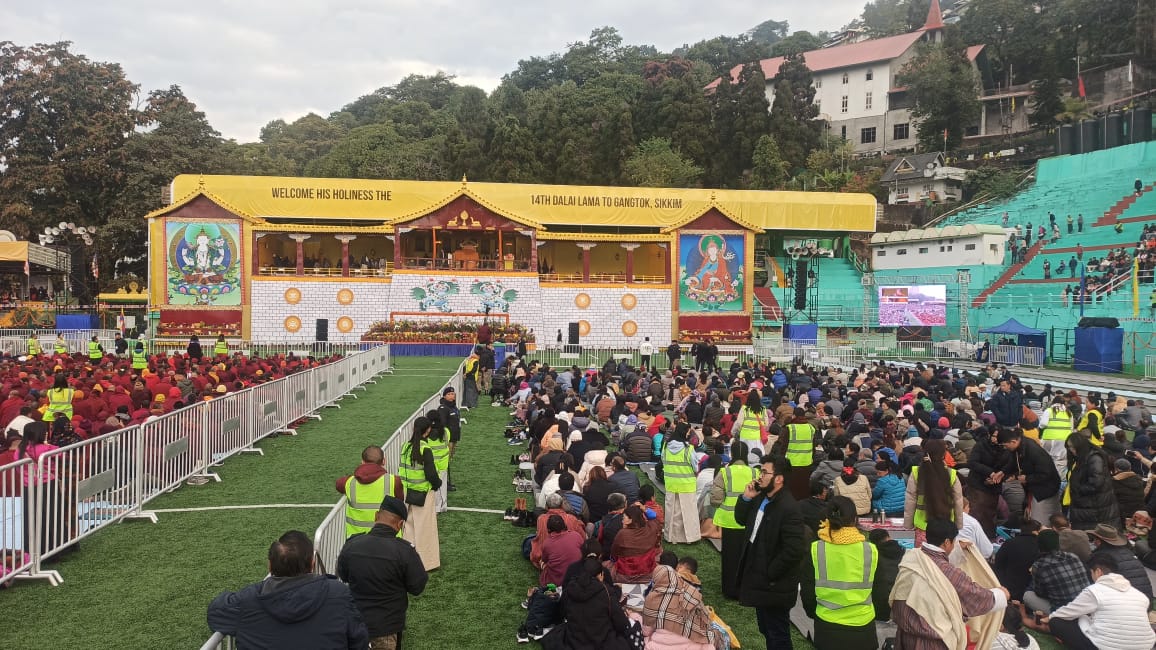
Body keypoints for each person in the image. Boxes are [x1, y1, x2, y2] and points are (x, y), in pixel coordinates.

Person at [207, 530, 368, 650]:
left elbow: (215, 612)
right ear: (312, 564)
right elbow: (358, 640)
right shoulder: (339, 593)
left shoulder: (249, 599)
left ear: (270, 565)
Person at [890, 518, 1008, 650]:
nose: (954, 545)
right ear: (946, 542)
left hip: (906, 636)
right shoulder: (950, 573)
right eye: (954, 542)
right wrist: (1000, 594)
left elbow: (935, 561)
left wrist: (958, 549)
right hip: (932, 643)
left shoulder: (911, 557)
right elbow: (975, 595)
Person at [337, 496, 428, 650]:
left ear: (376, 516)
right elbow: (417, 587)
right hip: (386, 628)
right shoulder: (404, 551)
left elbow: (343, 575)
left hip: (354, 625)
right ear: (400, 524)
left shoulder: (352, 544)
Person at [734, 455, 806, 649]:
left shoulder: (789, 508)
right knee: (766, 629)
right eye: (761, 472)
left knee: (778, 634)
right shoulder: (761, 498)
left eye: (765, 472)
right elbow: (741, 520)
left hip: (774, 584)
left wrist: (770, 572)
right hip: (758, 576)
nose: (761, 476)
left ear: (779, 478)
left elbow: (794, 550)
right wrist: (746, 499)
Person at [800, 496, 880, 650]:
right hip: (863, 627)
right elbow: (879, 589)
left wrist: (814, 614)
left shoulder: (816, 549)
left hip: (827, 627)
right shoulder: (870, 550)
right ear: (855, 519)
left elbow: (807, 591)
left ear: (828, 519)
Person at [1043, 554, 1156, 650]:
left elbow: (1069, 612)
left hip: (1104, 647)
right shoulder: (1140, 595)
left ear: (1098, 572)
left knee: (1056, 622)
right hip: (1146, 646)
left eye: (1091, 573)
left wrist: (1050, 617)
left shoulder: (1095, 590)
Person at [548, 556, 633, 650]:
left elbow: (562, 612)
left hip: (574, 640)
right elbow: (621, 624)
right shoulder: (607, 593)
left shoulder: (570, 588)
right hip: (601, 642)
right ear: (600, 575)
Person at [710, 440, 753, 600]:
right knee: (746, 557)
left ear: (732, 454)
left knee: (729, 557)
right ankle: (744, 588)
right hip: (748, 522)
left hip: (729, 521)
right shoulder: (754, 473)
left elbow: (715, 498)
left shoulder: (725, 472)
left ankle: (730, 589)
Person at [640, 562, 720, 649]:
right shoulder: (691, 592)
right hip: (691, 641)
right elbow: (705, 621)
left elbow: (646, 631)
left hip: (660, 644)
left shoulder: (651, 599)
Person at [398, 417, 441, 571]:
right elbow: (431, 474)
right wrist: (437, 484)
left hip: (407, 493)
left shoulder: (405, 447)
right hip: (424, 493)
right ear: (427, 430)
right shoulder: (425, 448)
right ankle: (426, 562)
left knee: (409, 529)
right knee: (425, 529)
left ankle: (405, 561)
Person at [905, 439, 965, 547]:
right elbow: (958, 501)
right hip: (946, 525)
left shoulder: (916, 473)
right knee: (941, 560)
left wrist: (908, 524)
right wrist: (958, 524)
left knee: (923, 560)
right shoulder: (951, 474)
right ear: (943, 455)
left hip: (922, 525)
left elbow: (910, 500)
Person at [336, 446, 404, 539]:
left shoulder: (349, 482)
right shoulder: (394, 481)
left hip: (357, 541)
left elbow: (338, 484)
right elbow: (400, 503)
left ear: (362, 462)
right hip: (388, 540)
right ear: (384, 461)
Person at [998, 428, 1061, 526]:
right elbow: (1013, 462)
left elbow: (1046, 473)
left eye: (1005, 446)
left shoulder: (1033, 450)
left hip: (1045, 490)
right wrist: (1003, 472)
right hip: (1034, 488)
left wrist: (1027, 478)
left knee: (1039, 521)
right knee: (1031, 517)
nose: (1005, 449)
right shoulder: (1019, 448)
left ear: (1013, 441)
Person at [1022, 529, 1090, 614]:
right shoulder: (1073, 556)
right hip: (1085, 605)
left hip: (1063, 611)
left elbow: (1040, 593)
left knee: (1027, 594)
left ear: (1039, 546)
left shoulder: (1039, 565)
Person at [1063, 433, 1119, 530]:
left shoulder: (1094, 458)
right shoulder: (1083, 458)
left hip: (1094, 506)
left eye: (1072, 447)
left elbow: (1096, 483)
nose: (1071, 450)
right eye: (1069, 447)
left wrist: (1078, 489)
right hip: (1088, 505)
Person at [1086, 523, 1153, 598]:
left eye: (1094, 540)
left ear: (1098, 541)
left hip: (1127, 603)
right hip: (1146, 600)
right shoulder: (1128, 552)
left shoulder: (1100, 558)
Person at [661, 423, 701, 544]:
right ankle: (689, 538)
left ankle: (671, 536)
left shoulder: (666, 447)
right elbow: (695, 466)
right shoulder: (689, 449)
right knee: (688, 513)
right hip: (687, 484)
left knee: (672, 512)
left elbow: (663, 461)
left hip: (671, 484)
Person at [609, 504, 662, 583]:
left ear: (630, 520)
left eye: (624, 518)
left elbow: (614, 553)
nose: (622, 520)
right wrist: (644, 509)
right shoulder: (651, 528)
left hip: (625, 576)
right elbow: (655, 518)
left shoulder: (622, 534)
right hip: (648, 574)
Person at [993, 519, 1041, 602]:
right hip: (1033, 591)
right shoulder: (1040, 545)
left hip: (1010, 589)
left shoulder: (1009, 543)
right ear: (1036, 532)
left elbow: (998, 565)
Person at [783, 407, 817, 500]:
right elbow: (813, 446)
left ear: (794, 415)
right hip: (806, 463)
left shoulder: (790, 428)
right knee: (803, 490)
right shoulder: (811, 428)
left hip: (791, 464)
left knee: (791, 491)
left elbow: (782, 447)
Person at [1038, 396, 1072, 476]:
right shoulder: (1068, 412)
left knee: (1046, 459)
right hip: (1064, 440)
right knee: (1059, 461)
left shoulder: (1049, 410)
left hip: (1049, 438)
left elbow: (1043, 423)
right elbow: (1071, 427)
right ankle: (1058, 478)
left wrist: (1040, 428)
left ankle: (1046, 476)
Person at [731, 389, 769, 459]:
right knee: (756, 456)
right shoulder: (763, 410)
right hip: (757, 437)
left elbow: (739, 423)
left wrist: (735, 432)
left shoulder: (744, 409)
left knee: (744, 455)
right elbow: (766, 424)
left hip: (744, 437)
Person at [437, 387, 460, 492]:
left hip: (454, 438)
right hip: (448, 440)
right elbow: (442, 424)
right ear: (445, 396)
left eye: (453, 393)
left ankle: (446, 482)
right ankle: (444, 483)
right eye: (449, 394)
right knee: (445, 462)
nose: (452, 395)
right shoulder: (443, 408)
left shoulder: (453, 407)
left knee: (449, 460)